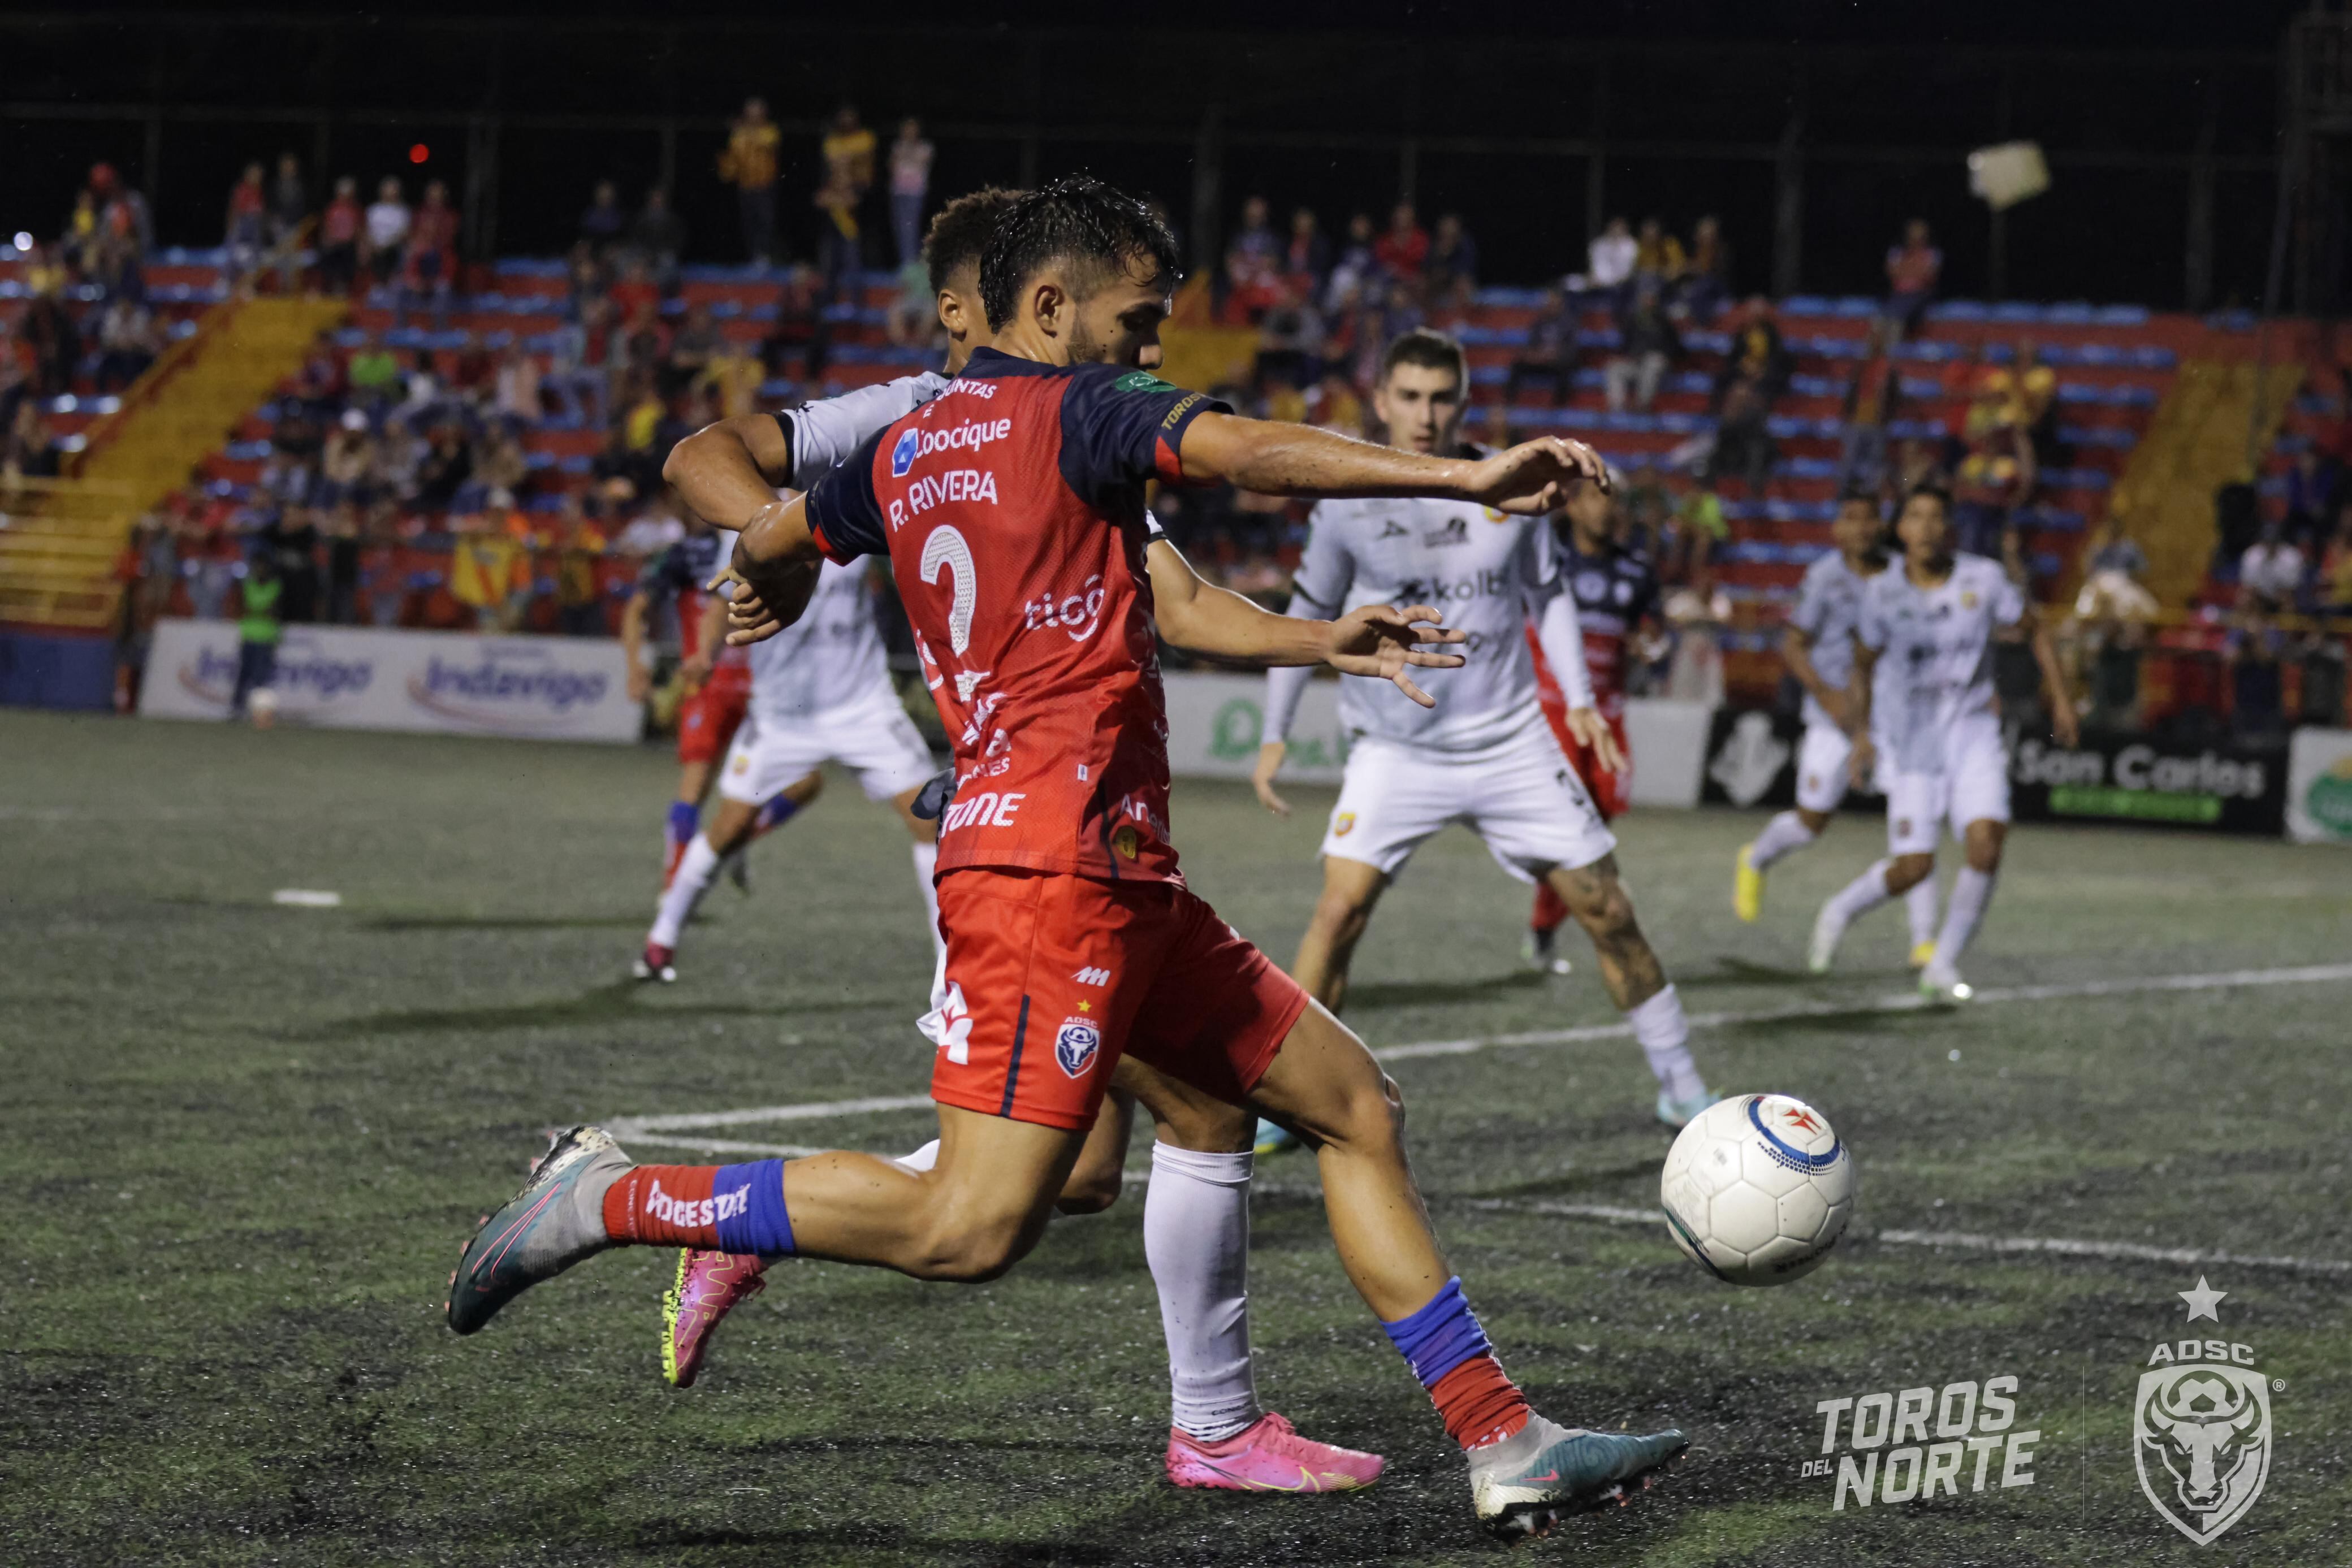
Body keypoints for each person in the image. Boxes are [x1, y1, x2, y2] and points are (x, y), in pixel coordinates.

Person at [448, 176, 1688, 1540]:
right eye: (1139, 319)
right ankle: (610, 1199)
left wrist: (777, 568)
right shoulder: (1084, 413)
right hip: (1046, 875)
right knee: (970, 1228)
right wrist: (1459, 474)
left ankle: (1498, 1438)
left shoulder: (907, 449)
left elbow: (791, 532)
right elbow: (1251, 450)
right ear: (1052, 309)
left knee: (1347, 1102)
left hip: (1118, 873)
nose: (1154, 350)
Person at [651, 186, 1389, 1493]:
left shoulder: (1076, 421)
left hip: (1044, 819)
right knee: (1046, 1183)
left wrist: (1315, 638)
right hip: (1018, 832)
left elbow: (1159, 592)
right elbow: (709, 449)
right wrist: (761, 540)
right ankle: (745, 1220)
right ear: (982, 305)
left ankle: (1215, 1428)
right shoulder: (902, 419)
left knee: (1104, 1167)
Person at [1251, 327, 1715, 1130]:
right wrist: (1273, 732)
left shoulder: (1509, 486)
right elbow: (1306, 615)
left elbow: (1550, 594)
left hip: (1510, 741)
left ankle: (1682, 1088)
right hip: (1397, 751)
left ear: (1463, 402)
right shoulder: (1348, 505)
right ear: (1382, 402)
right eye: (1410, 397)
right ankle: (1292, 1105)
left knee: (1607, 907)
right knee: (1337, 915)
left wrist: (1575, 697)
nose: (1426, 414)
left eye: (1441, 397)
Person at [1808, 483, 2079, 1000]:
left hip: (1974, 734)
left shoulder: (1984, 579)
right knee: (1916, 868)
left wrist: (2061, 699)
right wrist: (1862, 736)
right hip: (1913, 744)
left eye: (1938, 517)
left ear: (1950, 528)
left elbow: (2036, 629)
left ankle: (1943, 962)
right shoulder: (1883, 594)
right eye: (1916, 516)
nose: (1927, 527)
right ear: (1902, 530)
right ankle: (1840, 910)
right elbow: (1861, 665)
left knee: (1986, 843)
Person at [1733, 493, 1941, 966]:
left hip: (1892, 719)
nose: (1864, 528)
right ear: (1838, 531)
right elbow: (1793, 644)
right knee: (1812, 823)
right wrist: (1826, 694)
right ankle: (1756, 858)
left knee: (1916, 828)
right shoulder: (1824, 578)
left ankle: (1924, 940)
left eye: (1871, 519)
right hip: (1834, 718)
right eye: (1852, 519)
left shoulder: (1900, 574)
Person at [1519, 465, 1669, 974]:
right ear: (1575, 506)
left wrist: (1653, 646)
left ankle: (1549, 921)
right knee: (1571, 822)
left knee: (1601, 816)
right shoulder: (1546, 560)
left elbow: (1654, 633)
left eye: (1613, 500)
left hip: (1609, 713)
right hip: (1556, 712)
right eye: (1595, 499)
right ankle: (1547, 928)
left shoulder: (1638, 570)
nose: (1605, 509)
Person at [620, 506, 764, 889]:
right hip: (710, 683)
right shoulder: (687, 553)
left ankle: (722, 850)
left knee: (764, 785)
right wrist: (635, 665)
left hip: (761, 686)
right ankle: (677, 882)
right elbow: (637, 609)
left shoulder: (766, 538)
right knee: (700, 781)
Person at [719, 98, 781, 267]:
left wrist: (746, 132)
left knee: (766, 222)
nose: (753, 116)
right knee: (749, 223)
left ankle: (766, 257)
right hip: (746, 185)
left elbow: (770, 145)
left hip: (765, 185)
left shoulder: (770, 131)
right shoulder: (739, 134)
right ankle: (754, 258)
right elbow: (734, 157)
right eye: (750, 112)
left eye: (756, 112)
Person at [1604, 283, 1679, 413]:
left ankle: (1642, 405)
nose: (1647, 301)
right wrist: (1630, 356)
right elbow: (1625, 345)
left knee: (1653, 363)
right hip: (1636, 363)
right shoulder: (1633, 320)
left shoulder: (1664, 321)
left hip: (1656, 363)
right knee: (1614, 367)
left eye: (1651, 298)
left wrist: (1661, 354)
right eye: (1645, 298)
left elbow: (1676, 347)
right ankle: (1617, 408)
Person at [230, 550, 282, 721]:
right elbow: (242, 608)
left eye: (261, 566)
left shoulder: (276, 586)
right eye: (256, 566)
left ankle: (261, 713)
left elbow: (275, 611)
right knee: (244, 674)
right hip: (249, 635)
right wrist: (260, 611)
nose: (258, 569)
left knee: (261, 677)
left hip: (267, 637)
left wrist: (256, 611)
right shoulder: (248, 584)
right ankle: (237, 709)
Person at [1882, 219, 1941, 340]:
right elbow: (1893, 274)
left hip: (1921, 296)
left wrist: (1907, 268)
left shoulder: (1933, 254)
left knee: (1897, 317)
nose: (1915, 240)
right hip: (1898, 295)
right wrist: (1914, 268)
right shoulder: (1896, 252)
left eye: (1920, 237)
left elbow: (1928, 277)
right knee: (1881, 318)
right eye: (1913, 236)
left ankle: (1893, 348)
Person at [888, 118, 934, 267]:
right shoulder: (897, 146)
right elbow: (893, 166)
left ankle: (911, 265)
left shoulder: (925, 147)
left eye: (912, 129)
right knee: (899, 228)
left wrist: (906, 155)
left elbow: (921, 162)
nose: (909, 132)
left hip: (915, 192)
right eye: (907, 128)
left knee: (911, 228)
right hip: (898, 191)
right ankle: (905, 262)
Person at [362, 177, 410, 288]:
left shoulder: (403, 211)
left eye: (393, 190)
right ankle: (376, 287)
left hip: (393, 247)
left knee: (393, 254)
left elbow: (404, 233)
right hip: (374, 247)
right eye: (387, 190)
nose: (391, 193)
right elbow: (366, 231)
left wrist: (386, 245)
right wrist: (372, 245)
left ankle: (389, 286)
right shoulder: (373, 210)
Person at [318, 177, 362, 296]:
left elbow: (358, 230)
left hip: (348, 245)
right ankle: (330, 289)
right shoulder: (332, 208)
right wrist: (327, 240)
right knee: (326, 254)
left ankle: (343, 289)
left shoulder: (355, 209)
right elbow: (326, 228)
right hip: (334, 244)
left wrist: (361, 247)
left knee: (348, 254)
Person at [1586, 216, 1635, 299]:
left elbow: (1628, 271)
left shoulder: (1630, 245)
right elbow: (1593, 266)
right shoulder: (1598, 244)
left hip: (1619, 285)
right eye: (1614, 226)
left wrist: (1614, 282)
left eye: (1619, 227)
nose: (1616, 230)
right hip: (1597, 283)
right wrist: (1593, 278)